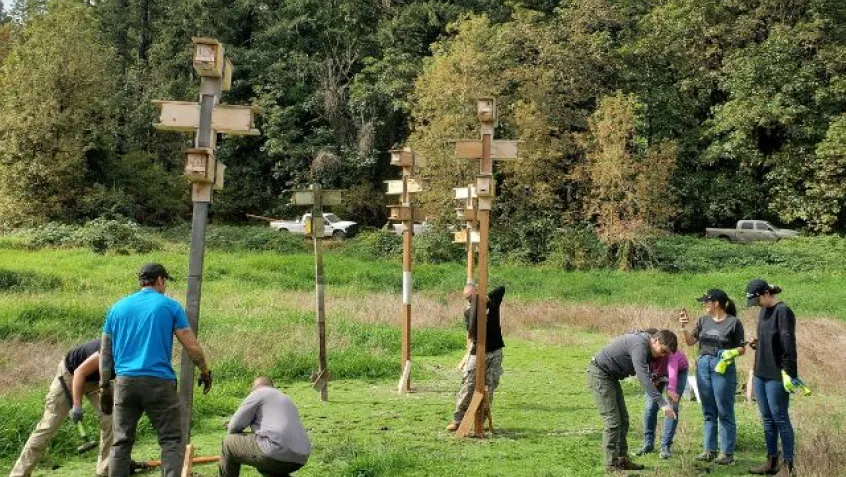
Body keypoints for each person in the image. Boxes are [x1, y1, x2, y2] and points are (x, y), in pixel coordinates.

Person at [99, 263, 213, 477]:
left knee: (121, 441)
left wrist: (105, 386)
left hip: (124, 383)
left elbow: (105, 351)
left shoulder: (117, 308)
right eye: (165, 281)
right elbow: (191, 346)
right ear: (160, 280)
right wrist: (205, 371)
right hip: (158, 383)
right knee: (171, 440)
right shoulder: (169, 306)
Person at [10, 339, 114, 477]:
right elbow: (80, 373)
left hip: (98, 381)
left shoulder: (138, 356)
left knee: (112, 419)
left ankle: (105, 469)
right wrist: (77, 406)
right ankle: (19, 474)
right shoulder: (109, 351)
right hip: (70, 376)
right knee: (49, 425)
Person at [587, 329, 678, 473]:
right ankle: (611, 466)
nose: (663, 355)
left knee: (623, 420)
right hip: (600, 374)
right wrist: (662, 404)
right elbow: (643, 378)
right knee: (612, 422)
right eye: (663, 351)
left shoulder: (648, 346)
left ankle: (622, 459)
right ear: (655, 341)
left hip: (610, 377)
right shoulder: (640, 346)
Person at [679, 288, 746, 465]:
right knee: (708, 409)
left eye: (706, 301)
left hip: (722, 365)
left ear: (716, 303)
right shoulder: (703, 320)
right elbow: (690, 342)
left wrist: (729, 353)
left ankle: (727, 453)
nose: (704, 304)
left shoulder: (734, 323)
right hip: (702, 364)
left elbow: (742, 348)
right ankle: (709, 450)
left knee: (724, 409)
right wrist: (683, 327)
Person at [746, 279, 798, 476]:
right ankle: (771, 461)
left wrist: (789, 373)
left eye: (757, 300)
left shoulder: (783, 311)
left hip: (777, 374)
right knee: (767, 419)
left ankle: (788, 466)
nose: (756, 305)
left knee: (780, 418)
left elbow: (788, 344)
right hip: (761, 372)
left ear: (766, 293)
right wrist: (757, 343)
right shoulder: (763, 311)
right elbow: (770, 339)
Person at [220, 376, 311, 477]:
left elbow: (233, 426)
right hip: (301, 456)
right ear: (272, 386)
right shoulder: (285, 398)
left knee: (228, 443)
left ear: (254, 388)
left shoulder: (258, 393)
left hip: (276, 450)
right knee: (268, 463)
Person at [446, 284, 506, 432]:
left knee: (490, 387)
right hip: (477, 351)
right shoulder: (468, 312)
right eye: (468, 298)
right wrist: (476, 308)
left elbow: (502, 289)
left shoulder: (491, 301)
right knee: (468, 385)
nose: (470, 299)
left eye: (472, 296)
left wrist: (485, 298)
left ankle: (481, 419)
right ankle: (458, 419)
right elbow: (472, 330)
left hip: (495, 350)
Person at [634, 330, 689, 460]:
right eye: (663, 351)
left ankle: (666, 446)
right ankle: (648, 443)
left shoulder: (672, 356)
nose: (664, 354)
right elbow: (644, 370)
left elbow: (673, 372)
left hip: (678, 373)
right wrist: (652, 380)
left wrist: (671, 389)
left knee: (671, 406)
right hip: (658, 374)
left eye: (667, 352)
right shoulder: (648, 350)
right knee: (650, 406)